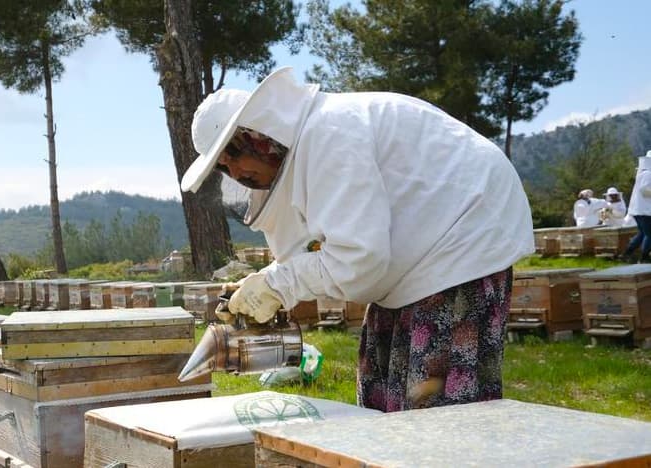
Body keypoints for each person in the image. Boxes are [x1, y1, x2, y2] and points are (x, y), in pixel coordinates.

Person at [181, 67, 534, 413]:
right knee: (380, 398)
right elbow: (326, 244)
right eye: (223, 169)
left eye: (234, 155)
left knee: (437, 412)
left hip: (463, 238)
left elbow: (359, 258)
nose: (236, 174)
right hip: (412, 261)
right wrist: (264, 280)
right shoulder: (311, 144)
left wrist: (277, 284)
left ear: (260, 134)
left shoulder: (329, 134)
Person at [620, 151, 651, 262]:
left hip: (640, 210)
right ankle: (644, 258)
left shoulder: (643, 173)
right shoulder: (647, 173)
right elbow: (644, 190)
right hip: (645, 211)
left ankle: (627, 254)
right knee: (649, 234)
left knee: (643, 233)